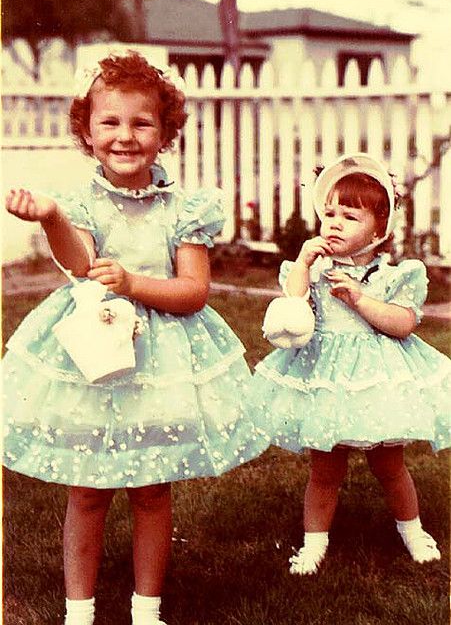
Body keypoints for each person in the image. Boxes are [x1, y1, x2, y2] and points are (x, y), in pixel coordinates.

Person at [3, 50, 269, 625]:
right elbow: (80, 263)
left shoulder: (184, 207)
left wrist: (131, 282)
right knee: (87, 490)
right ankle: (80, 610)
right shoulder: (81, 203)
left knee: (151, 488)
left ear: (165, 131)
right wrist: (51, 216)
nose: (125, 136)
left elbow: (193, 291)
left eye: (141, 122)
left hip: (161, 361)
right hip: (95, 357)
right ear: (86, 129)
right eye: (110, 122)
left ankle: (146, 609)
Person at [250, 153, 450, 575]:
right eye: (329, 214)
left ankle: (412, 530)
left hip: (376, 381)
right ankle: (314, 543)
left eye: (350, 216)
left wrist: (359, 299)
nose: (335, 223)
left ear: (380, 230)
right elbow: (292, 304)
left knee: (389, 464)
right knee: (325, 467)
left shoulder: (394, 275)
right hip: (326, 379)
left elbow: (403, 324)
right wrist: (303, 264)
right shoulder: (317, 270)